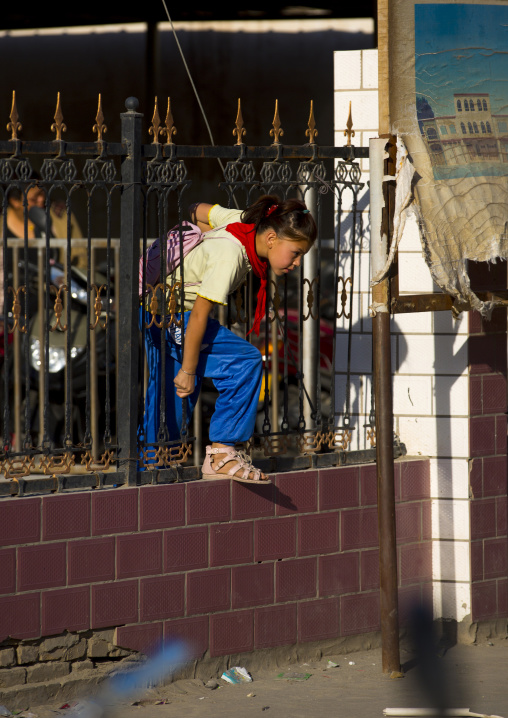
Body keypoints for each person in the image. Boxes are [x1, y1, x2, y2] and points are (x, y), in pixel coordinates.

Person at [139, 194, 317, 483]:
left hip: (161, 311)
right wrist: (187, 369)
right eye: (296, 253)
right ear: (271, 238)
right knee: (244, 361)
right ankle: (221, 454)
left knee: (171, 401)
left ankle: (150, 470)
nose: (297, 263)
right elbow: (198, 315)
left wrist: (203, 244)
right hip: (173, 315)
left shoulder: (243, 220)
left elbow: (195, 207)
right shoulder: (230, 254)